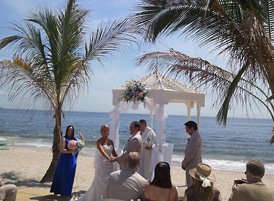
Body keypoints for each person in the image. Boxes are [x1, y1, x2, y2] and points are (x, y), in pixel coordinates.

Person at [77, 124, 118, 201]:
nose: (106, 132)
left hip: (110, 165)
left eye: (108, 130)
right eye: (104, 130)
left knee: (109, 182)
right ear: (101, 132)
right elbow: (101, 151)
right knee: (100, 183)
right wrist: (108, 158)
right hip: (102, 165)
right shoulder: (99, 141)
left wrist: (119, 158)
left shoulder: (111, 141)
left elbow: (114, 153)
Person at [50, 125, 84, 197]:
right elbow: (61, 150)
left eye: (71, 130)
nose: (70, 131)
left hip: (72, 160)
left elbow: (81, 145)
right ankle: (59, 191)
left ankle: (67, 192)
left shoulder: (75, 139)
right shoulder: (64, 139)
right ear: (67, 130)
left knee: (70, 176)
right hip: (64, 160)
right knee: (62, 176)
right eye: (69, 130)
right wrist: (71, 151)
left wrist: (82, 138)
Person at [181, 121, 202, 187]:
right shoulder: (194, 136)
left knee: (191, 185)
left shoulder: (195, 137)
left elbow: (190, 153)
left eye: (187, 129)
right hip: (192, 164)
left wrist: (184, 164)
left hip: (193, 165)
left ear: (192, 128)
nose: (186, 131)